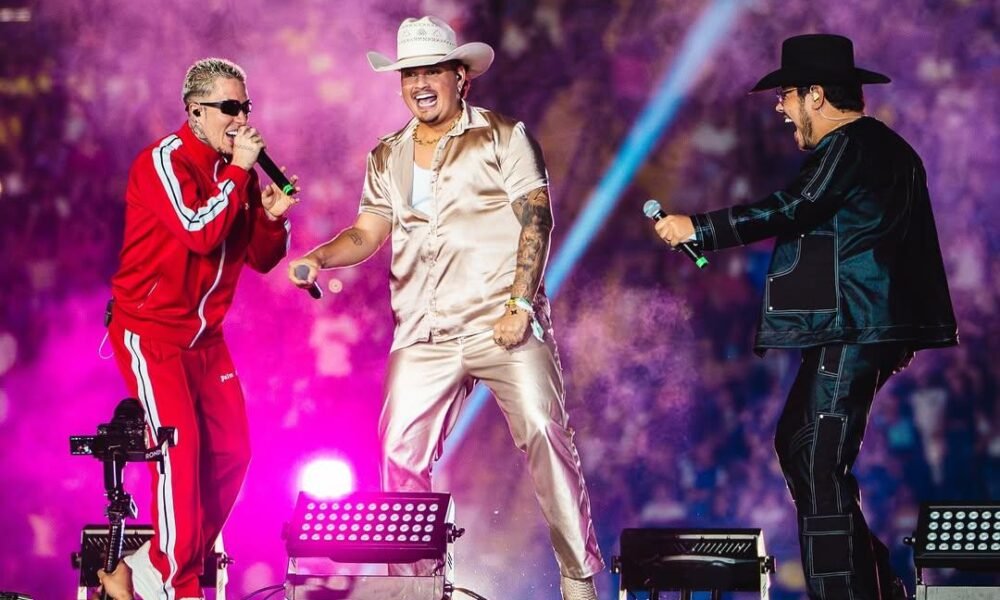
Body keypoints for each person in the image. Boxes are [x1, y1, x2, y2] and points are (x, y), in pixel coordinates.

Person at [288, 16, 604, 600]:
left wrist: (519, 303)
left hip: (503, 321)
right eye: (409, 74)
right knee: (397, 452)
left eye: (431, 71)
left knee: (544, 430)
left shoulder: (504, 135)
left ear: (461, 76)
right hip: (424, 331)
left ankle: (578, 578)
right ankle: (417, 588)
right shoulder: (387, 154)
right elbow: (367, 232)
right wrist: (319, 257)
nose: (419, 84)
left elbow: (537, 220)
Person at [654, 34, 958, 599]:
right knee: (799, 443)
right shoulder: (886, 150)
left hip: (852, 326)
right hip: (859, 326)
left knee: (817, 460)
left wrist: (701, 228)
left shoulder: (850, 144)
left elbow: (796, 206)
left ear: (816, 95)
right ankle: (877, 584)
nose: (780, 107)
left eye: (787, 95)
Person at [97, 57, 298, 600]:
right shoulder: (163, 161)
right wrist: (239, 173)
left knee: (233, 453)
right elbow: (198, 231)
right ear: (195, 111)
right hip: (152, 334)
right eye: (230, 107)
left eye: (246, 106)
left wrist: (272, 217)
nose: (242, 119)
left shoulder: (237, 172)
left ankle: (149, 568)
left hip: (206, 339)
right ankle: (176, 586)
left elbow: (259, 258)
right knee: (178, 458)